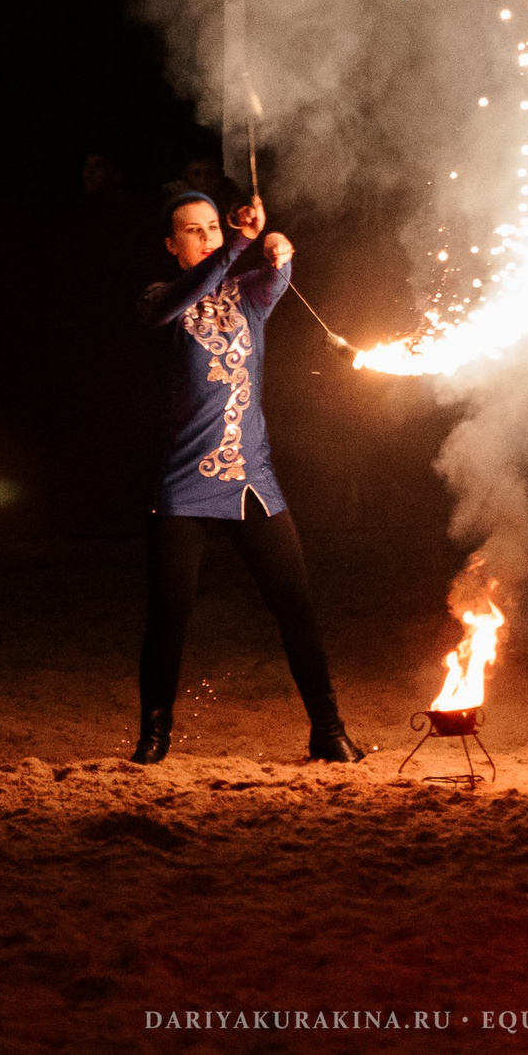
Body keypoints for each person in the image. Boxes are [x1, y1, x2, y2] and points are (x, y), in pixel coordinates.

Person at [133, 191, 362, 765]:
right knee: (169, 612)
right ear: (171, 245)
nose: (207, 237)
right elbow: (180, 299)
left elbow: (272, 274)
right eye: (193, 231)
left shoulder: (247, 298)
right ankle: (154, 736)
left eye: (214, 227)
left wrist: (278, 250)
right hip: (184, 484)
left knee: (296, 604)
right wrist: (238, 244)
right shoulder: (162, 299)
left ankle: (328, 729)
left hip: (250, 478)